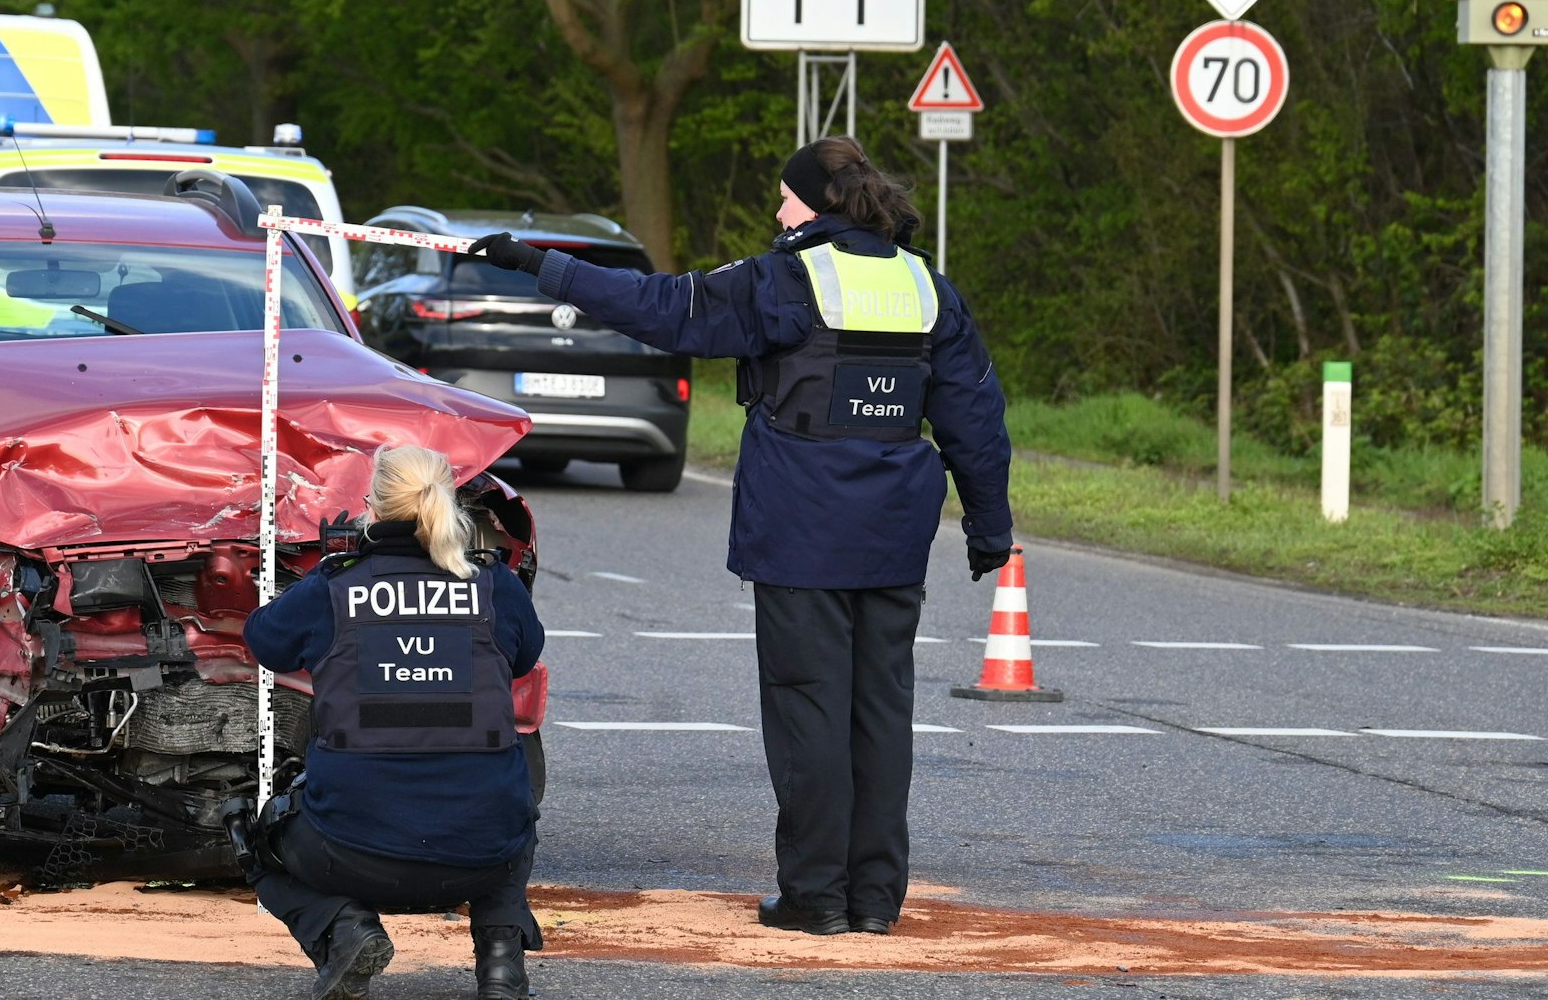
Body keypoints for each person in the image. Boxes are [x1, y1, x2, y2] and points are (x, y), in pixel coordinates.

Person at [468, 135, 1012, 938]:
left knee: (809, 708)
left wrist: (541, 265)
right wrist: (989, 523)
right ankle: (874, 898)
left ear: (815, 204)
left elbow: (663, 307)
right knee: (880, 711)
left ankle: (815, 895)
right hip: (894, 534)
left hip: (801, 530)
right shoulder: (926, 286)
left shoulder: (786, 279)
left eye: (786, 198)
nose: (778, 212)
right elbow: (975, 414)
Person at [243, 445, 546, 1000]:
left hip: (349, 850)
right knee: (509, 798)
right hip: (481, 854)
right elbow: (524, 657)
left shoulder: (334, 586)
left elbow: (264, 641)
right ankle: (502, 964)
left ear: (373, 507)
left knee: (254, 837)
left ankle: (344, 929)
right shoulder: (493, 585)